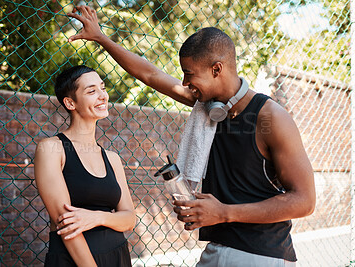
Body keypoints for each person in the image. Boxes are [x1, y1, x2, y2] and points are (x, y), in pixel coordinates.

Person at [67, 6, 316, 266]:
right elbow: (150, 74)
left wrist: (224, 212)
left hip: (260, 254)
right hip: (218, 248)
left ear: (216, 69)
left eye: (190, 74)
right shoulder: (207, 109)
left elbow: (304, 201)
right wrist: (101, 38)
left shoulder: (271, 117)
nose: (185, 83)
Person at [34, 65, 136, 267]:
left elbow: (129, 219)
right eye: (91, 91)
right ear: (70, 102)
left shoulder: (112, 158)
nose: (102, 96)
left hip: (118, 257)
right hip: (75, 261)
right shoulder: (51, 149)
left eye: (103, 88)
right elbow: (67, 226)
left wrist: (96, 217)